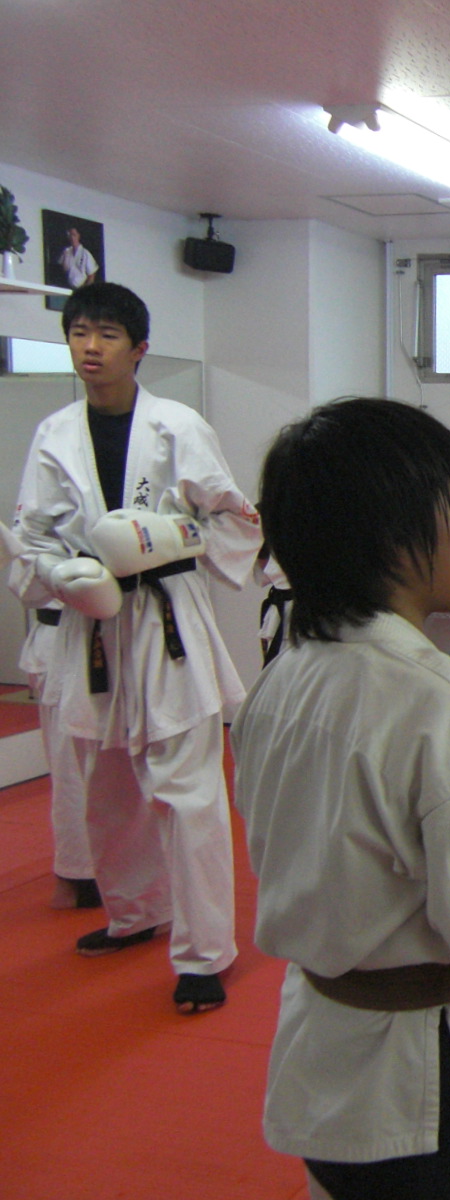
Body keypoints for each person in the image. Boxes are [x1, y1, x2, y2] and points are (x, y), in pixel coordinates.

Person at [232, 397, 450, 1200]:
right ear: (394, 535)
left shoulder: (276, 687)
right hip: (423, 1085)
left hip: (320, 1055)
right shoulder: (443, 706)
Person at [11, 281, 260, 1013]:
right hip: (91, 622)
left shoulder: (178, 425)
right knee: (108, 785)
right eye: (79, 333)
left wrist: (165, 537)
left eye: (107, 335)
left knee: (188, 794)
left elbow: (236, 521)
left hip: (165, 623)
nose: (90, 348)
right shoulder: (54, 433)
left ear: (139, 348)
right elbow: (30, 537)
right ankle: (135, 912)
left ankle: (204, 953)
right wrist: (61, 574)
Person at [5, 511, 97, 909]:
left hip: (110, 630)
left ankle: (112, 868)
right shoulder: (38, 505)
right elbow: (23, 582)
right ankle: (80, 873)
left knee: (113, 765)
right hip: (60, 636)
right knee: (71, 764)